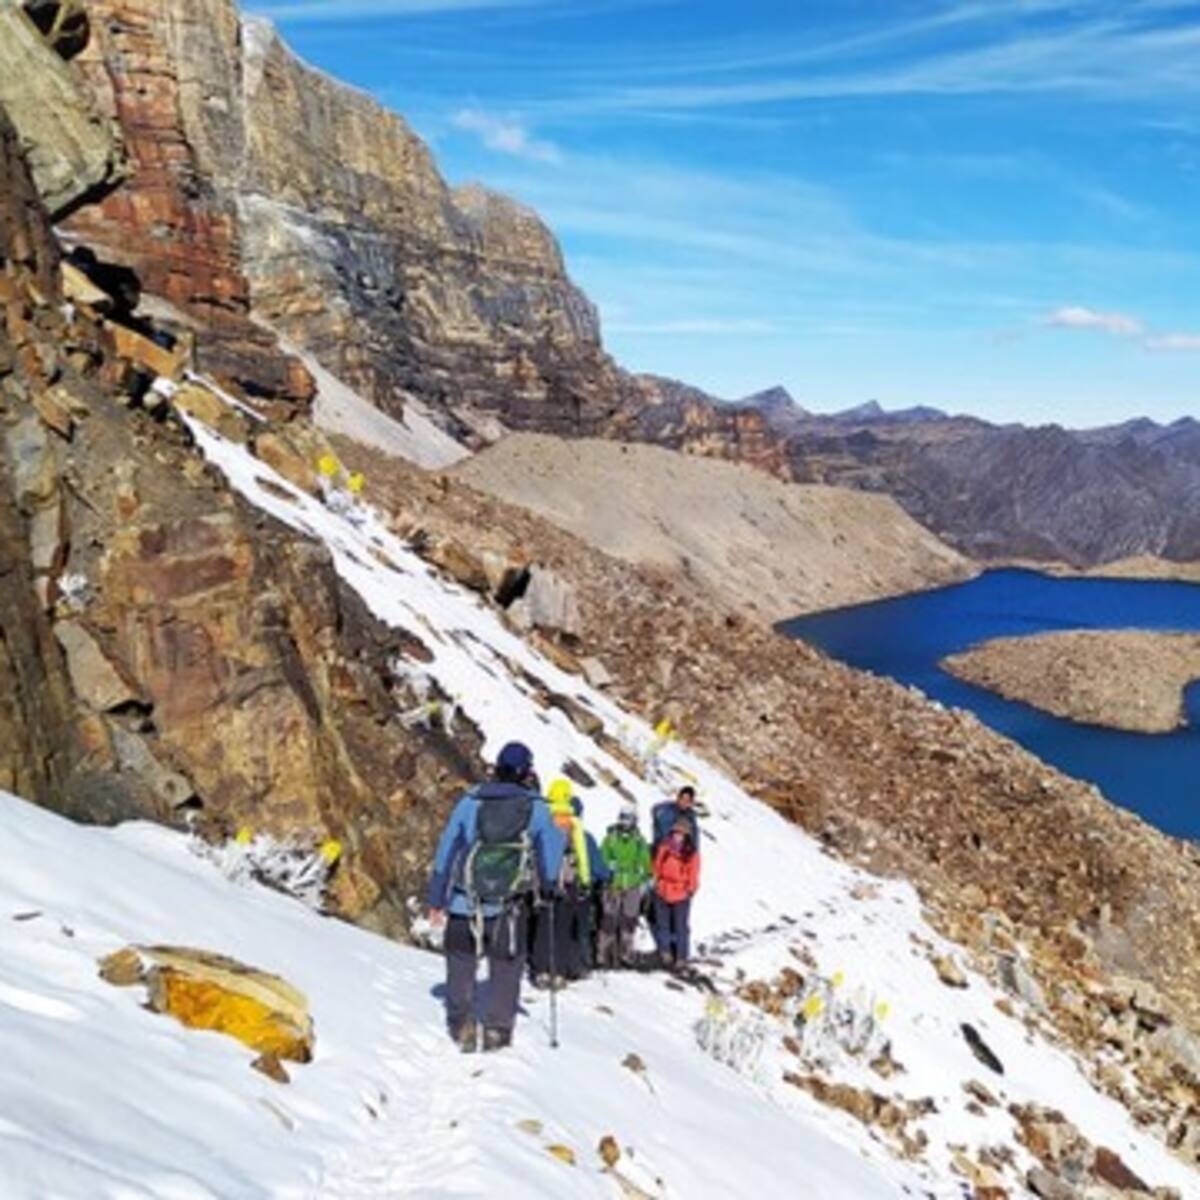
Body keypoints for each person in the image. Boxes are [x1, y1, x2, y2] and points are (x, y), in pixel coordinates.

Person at [427, 741, 563, 1052]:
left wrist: (437, 897)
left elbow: (446, 850)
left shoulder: (470, 802)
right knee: (507, 964)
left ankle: (461, 1023)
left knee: (461, 959)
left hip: (466, 900)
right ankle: (498, 1030)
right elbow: (550, 858)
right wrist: (549, 888)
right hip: (509, 907)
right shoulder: (538, 809)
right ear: (527, 772)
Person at [530, 778, 591, 986]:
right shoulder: (572, 821)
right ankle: (559, 971)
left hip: (543, 878)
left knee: (543, 925)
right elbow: (581, 853)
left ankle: (540, 969)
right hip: (567, 880)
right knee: (562, 926)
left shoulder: (542, 816)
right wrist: (585, 878)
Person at [598, 803, 652, 968]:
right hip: (613, 884)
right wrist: (609, 873)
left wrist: (644, 880)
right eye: (623, 818)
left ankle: (625, 953)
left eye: (629, 818)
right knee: (609, 919)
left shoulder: (639, 841)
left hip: (632, 885)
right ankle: (603, 953)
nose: (625, 822)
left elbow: (646, 863)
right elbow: (603, 858)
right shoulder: (611, 838)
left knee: (629, 919)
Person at [652, 818, 700, 970]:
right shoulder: (664, 847)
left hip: (681, 892)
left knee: (681, 926)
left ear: (687, 835)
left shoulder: (692, 853)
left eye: (681, 833)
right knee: (663, 924)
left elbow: (694, 874)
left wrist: (690, 890)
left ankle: (681, 956)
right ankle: (665, 952)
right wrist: (657, 882)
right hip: (663, 889)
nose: (678, 836)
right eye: (676, 832)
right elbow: (656, 866)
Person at [572, 795, 612, 974]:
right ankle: (582, 963)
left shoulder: (551, 833)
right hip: (582, 889)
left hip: (556, 889)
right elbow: (598, 867)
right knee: (582, 928)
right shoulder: (585, 838)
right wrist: (607, 875)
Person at [652, 785, 700, 852]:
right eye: (682, 799)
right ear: (678, 798)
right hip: (663, 849)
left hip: (682, 852)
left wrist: (694, 850)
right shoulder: (669, 810)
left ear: (690, 802)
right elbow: (664, 831)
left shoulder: (690, 816)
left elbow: (695, 836)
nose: (684, 802)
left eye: (687, 800)